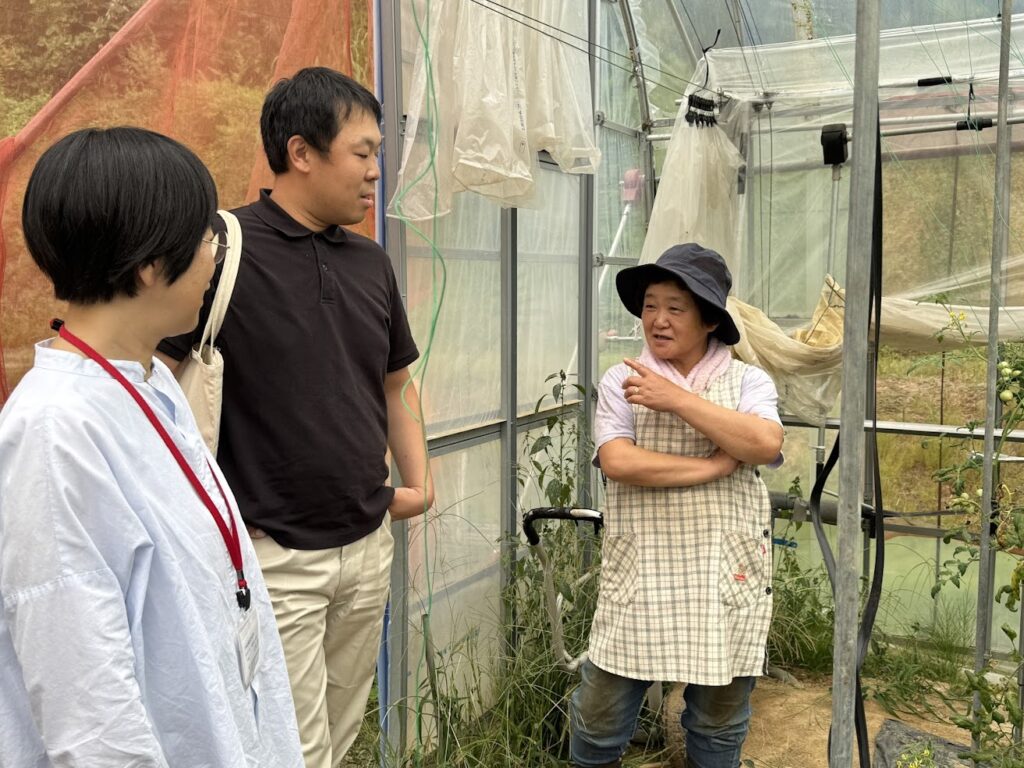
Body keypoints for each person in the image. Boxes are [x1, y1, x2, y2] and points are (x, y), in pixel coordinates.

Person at [0, 126, 303, 767]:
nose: (216, 257)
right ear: (148, 265)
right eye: (205, 237)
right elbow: (90, 706)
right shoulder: (55, 431)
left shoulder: (147, 380)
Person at [158, 67, 434, 767]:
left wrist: (420, 483)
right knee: (289, 747)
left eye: (377, 154)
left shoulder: (371, 264)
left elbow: (396, 384)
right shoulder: (219, 251)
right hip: (271, 555)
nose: (376, 173)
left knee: (337, 736)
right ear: (301, 152)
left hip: (365, 546)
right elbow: (153, 382)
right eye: (362, 152)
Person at [570, 243, 785, 768]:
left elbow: (764, 443)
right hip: (643, 568)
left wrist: (677, 399)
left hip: (722, 570)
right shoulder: (621, 380)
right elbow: (619, 460)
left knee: (718, 722)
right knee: (598, 718)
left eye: (674, 308)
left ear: (710, 320)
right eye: (650, 306)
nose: (657, 320)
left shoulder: (748, 380)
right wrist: (713, 467)